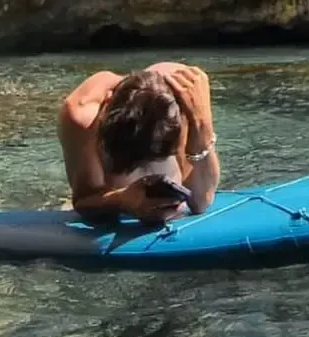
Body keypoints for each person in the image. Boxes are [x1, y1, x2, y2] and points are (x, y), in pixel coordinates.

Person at [57, 60, 220, 224]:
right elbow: (83, 200)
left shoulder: (187, 95)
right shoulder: (83, 115)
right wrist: (121, 199)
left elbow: (201, 201)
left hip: (173, 107)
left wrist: (201, 123)